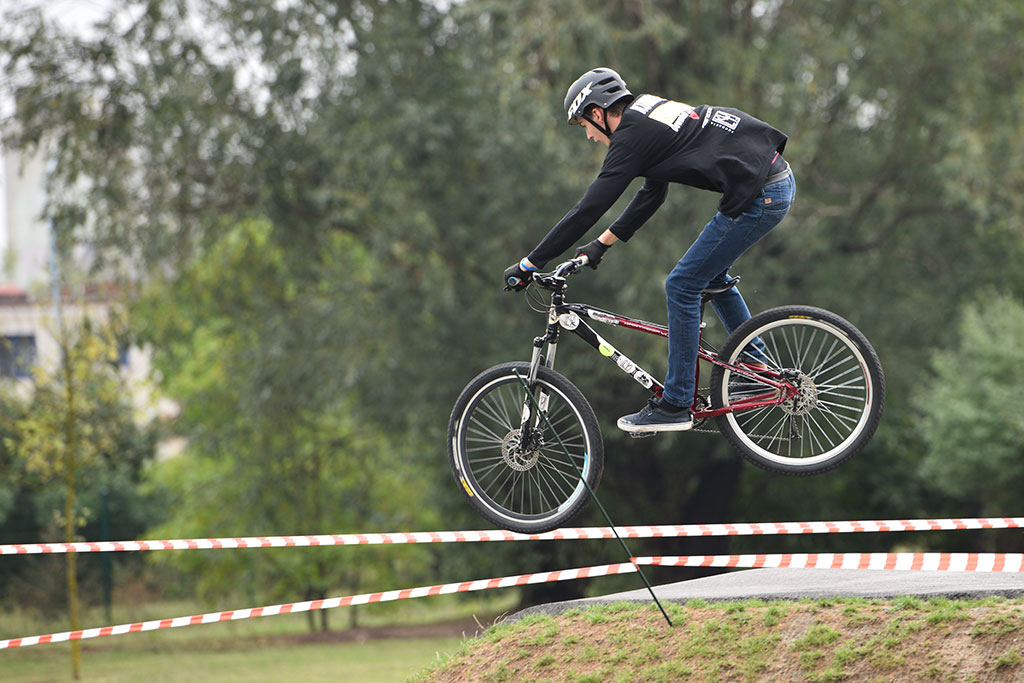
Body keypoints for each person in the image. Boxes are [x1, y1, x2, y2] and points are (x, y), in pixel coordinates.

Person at [503, 67, 795, 434]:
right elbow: (652, 193)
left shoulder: (631, 137)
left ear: (597, 112)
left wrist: (530, 263)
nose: (590, 136)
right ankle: (755, 368)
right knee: (706, 275)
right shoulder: (647, 112)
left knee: (682, 284)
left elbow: (588, 208)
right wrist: (599, 246)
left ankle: (676, 403)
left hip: (761, 194)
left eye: (584, 126)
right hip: (767, 184)